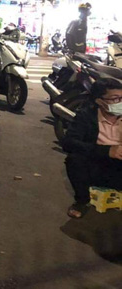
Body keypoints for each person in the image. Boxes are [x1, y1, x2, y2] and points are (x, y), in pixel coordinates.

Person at [62, 78, 122, 219]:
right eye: (115, 99)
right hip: (97, 164)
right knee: (74, 159)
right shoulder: (86, 116)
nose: (120, 102)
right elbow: (69, 142)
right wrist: (107, 151)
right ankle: (82, 201)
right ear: (99, 101)